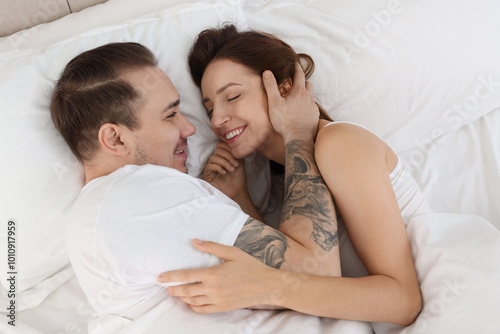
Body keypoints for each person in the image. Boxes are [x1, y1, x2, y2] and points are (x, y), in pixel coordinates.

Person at [157, 24, 427, 326]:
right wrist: (238, 198)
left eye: (231, 97)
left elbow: (403, 301)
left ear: (283, 90)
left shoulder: (339, 144)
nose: (218, 120)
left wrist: (265, 287)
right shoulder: (281, 183)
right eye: (209, 109)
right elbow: (301, 274)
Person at [50, 42, 339, 320]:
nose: (189, 128)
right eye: (170, 114)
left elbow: (279, 268)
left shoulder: (113, 204)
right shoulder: (143, 199)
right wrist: (299, 133)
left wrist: (237, 197)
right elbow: (318, 278)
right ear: (115, 138)